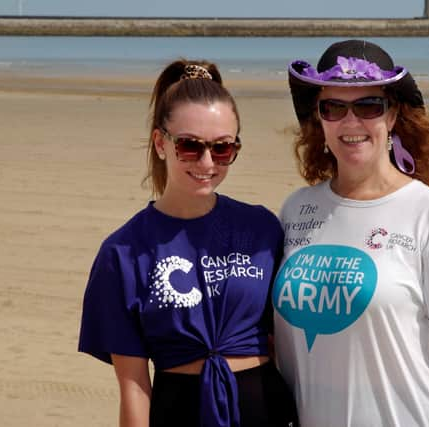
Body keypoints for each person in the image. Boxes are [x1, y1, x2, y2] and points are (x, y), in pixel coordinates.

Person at [272, 40, 429, 427]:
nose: (350, 122)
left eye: (369, 106)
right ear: (318, 120)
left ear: (391, 117)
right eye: (333, 107)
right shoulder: (295, 209)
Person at [78, 59, 298, 427]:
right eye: (190, 146)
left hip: (266, 409)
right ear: (161, 143)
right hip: (177, 411)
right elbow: (133, 386)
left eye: (223, 148)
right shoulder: (122, 252)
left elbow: (284, 346)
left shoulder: (262, 228)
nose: (208, 162)